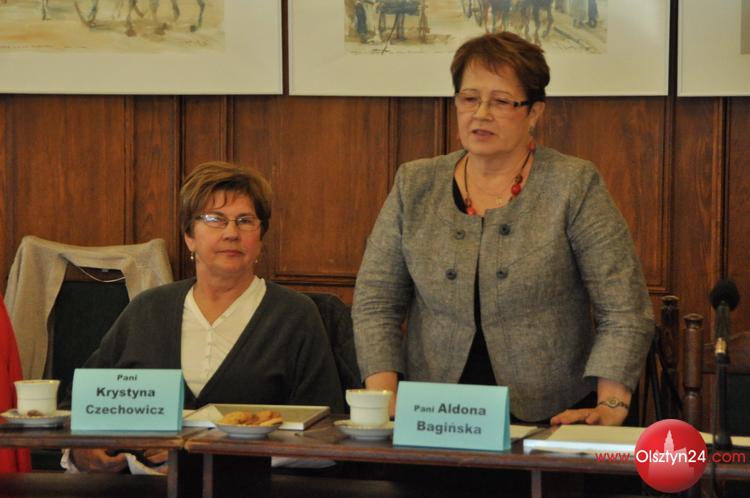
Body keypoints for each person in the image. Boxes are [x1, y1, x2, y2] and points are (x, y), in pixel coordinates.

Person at [352, 32, 654, 426]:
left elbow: (624, 308)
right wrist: (385, 398)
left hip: (550, 416)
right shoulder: (415, 184)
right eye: (469, 98)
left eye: (500, 101)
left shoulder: (573, 184)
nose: (480, 114)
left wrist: (610, 407)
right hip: (433, 416)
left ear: (534, 112)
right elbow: (376, 301)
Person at [68, 161, 344, 472]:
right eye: (215, 219)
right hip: (144, 486)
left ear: (260, 239)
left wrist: (212, 456)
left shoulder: (295, 316)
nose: (231, 233)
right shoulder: (147, 311)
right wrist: (81, 452)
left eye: (245, 221)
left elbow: (325, 434)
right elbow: (80, 406)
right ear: (189, 235)